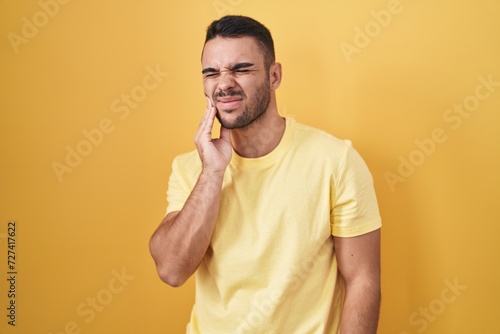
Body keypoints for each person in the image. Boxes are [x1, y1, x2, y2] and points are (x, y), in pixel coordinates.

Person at [149, 15, 382, 334]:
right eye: (211, 73)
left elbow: (362, 279)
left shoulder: (335, 160)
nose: (224, 83)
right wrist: (213, 172)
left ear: (274, 75)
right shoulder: (191, 169)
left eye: (241, 69)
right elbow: (172, 270)